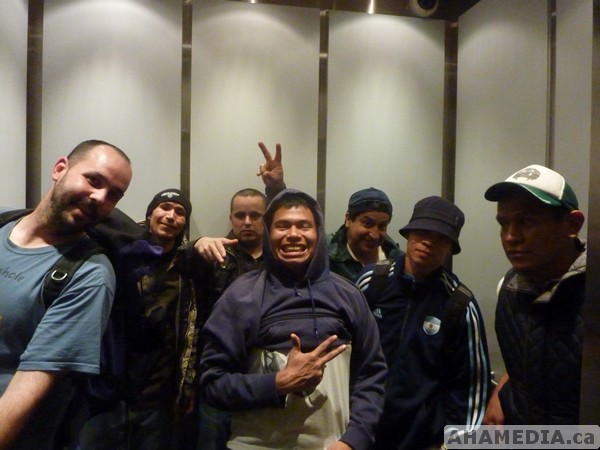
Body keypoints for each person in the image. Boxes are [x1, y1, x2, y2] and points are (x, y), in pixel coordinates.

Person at [199, 189, 387, 450]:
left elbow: (371, 375)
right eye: (282, 226)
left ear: (318, 233)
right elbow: (212, 384)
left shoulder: (348, 295)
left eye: (304, 226)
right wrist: (278, 383)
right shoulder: (241, 295)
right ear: (268, 233)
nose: (294, 234)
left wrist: (354, 440)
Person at [0, 140, 132, 449]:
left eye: (113, 194)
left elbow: (28, 389)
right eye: (94, 180)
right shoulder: (2, 222)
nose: (100, 197)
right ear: (60, 168)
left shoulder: (89, 274)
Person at [356, 195, 491, 450]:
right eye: (423, 232)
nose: (429, 242)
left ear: (450, 246)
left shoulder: (459, 303)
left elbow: (471, 387)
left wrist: (455, 444)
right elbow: (345, 351)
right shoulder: (372, 281)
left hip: (421, 437)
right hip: (362, 426)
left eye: (441, 237)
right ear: (409, 234)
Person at [78, 188, 199, 450]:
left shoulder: (188, 266)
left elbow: (192, 332)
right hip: (106, 392)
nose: (171, 216)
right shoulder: (117, 249)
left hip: (157, 398)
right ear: (149, 214)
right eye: (164, 207)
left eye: (179, 212)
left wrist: (186, 386)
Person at [482, 164, 586, 425]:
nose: (510, 237)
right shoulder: (509, 288)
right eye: (503, 223)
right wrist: (502, 389)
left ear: (572, 224)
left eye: (526, 222)